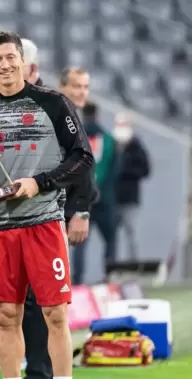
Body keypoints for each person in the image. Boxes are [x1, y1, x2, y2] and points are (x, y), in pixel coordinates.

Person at [0, 31, 94, 379]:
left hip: (43, 223)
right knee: (7, 315)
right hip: (0, 226)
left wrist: (39, 183)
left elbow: (83, 159)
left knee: (54, 314)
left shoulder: (53, 103)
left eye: (10, 57)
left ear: (23, 61)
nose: (4, 65)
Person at [21, 63, 94, 379]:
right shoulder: (54, 112)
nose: (81, 93)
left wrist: (81, 209)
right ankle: (40, 372)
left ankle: (43, 372)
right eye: (76, 86)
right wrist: (80, 210)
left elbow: (83, 168)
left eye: (85, 87)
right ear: (62, 86)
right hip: (46, 213)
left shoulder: (66, 116)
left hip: (57, 215)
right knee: (40, 297)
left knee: (49, 298)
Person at [71, 101, 118, 284]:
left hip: (83, 198)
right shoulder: (108, 139)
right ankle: (109, 277)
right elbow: (116, 170)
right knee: (110, 240)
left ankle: (77, 280)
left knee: (79, 240)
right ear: (97, 115)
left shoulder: (75, 139)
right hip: (105, 198)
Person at [113, 113, 150, 261]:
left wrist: (125, 171)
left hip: (130, 199)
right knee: (112, 237)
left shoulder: (137, 148)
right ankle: (112, 266)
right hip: (114, 197)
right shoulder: (112, 145)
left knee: (131, 235)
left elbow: (145, 170)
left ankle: (132, 265)